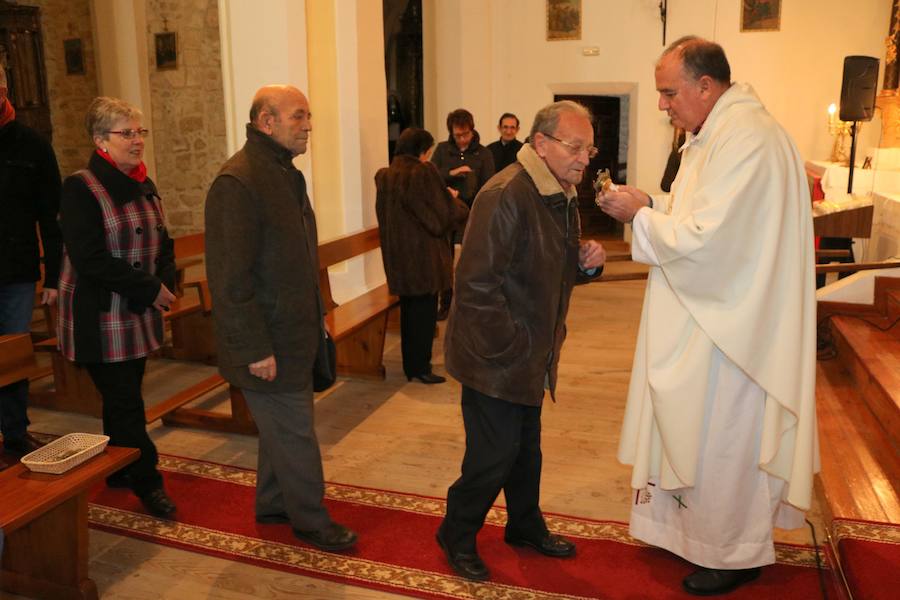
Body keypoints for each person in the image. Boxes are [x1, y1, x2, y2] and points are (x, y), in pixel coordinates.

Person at [596, 36, 817, 596]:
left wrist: (643, 214)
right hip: (712, 315)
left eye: (670, 93)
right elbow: (703, 218)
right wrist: (657, 207)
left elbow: (713, 241)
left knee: (725, 439)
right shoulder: (715, 135)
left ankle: (733, 551)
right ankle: (697, 535)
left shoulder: (748, 139)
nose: (664, 105)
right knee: (705, 433)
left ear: (705, 86)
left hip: (734, 329)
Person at [437, 100, 607, 581]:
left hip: (529, 352)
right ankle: (456, 531)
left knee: (525, 450)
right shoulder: (506, 193)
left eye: (588, 148)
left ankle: (525, 525)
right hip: (496, 355)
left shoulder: (559, 192)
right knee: (492, 456)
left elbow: (545, 266)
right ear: (540, 143)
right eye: (574, 147)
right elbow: (475, 285)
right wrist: (513, 346)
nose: (583, 158)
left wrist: (585, 264)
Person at [204, 85, 357, 552]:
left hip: (294, 332)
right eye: (298, 116)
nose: (309, 125)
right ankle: (311, 520)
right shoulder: (239, 181)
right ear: (266, 121)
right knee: (295, 434)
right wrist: (254, 349)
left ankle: (273, 503)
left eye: (308, 115)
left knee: (281, 430)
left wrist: (316, 318)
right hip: (267, 340)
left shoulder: (283, 173)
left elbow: (293, 262)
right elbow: (230, 279)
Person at [58, 96, 177, 517]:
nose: (136, 140)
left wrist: (165, 280)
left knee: (121, 399)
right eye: (125, 133)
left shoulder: (144, 182)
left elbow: (163, 241)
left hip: (136, 311)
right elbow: (90, 259)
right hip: (99, 316)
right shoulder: (81, 187)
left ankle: (119, 468)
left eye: (139, 131)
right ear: (100, 140)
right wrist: (149, 288)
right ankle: (148, 481)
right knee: (127, 402)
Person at [0, 66, 61, 463]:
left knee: (14, 356)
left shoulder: (32, 145)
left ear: (3, 89)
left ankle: (16, 431)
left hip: (15, 272)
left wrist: (53, 274)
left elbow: (51, 217)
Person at [375, 127, 469, 384]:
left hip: (399, 259)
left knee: (410, 313)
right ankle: (421, 368)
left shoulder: (385, 176)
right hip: (423, 258)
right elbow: (441, 218)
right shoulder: (422, 172)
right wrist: (455, 200)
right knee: (425, 315)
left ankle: (412, 366)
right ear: (422, 150)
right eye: (428, 151)